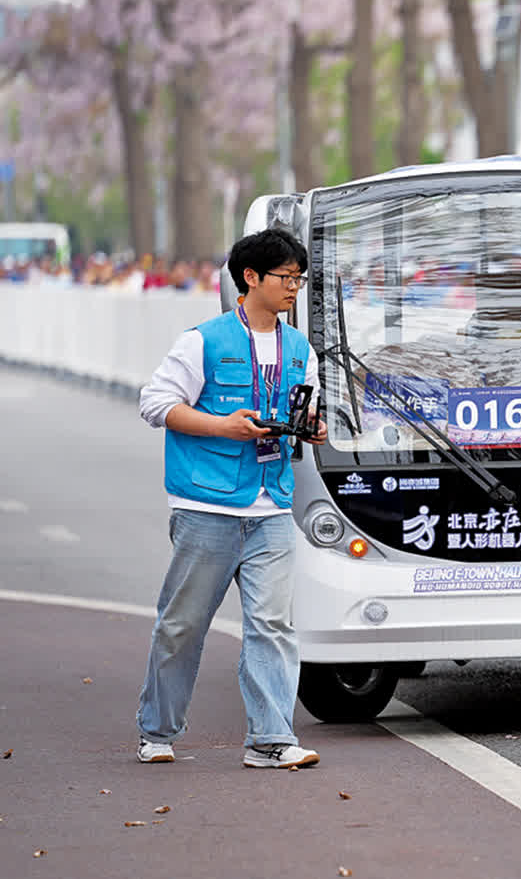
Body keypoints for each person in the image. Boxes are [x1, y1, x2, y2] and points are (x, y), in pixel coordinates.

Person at [135, 229, 326, 769]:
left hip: (272, 509)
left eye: (298, 278)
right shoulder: (203, 340)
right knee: (182, 625)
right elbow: (154, 403)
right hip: (208, 507)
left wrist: (309, 428)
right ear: (250, 278)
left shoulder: (299, 348)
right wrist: (221, 426)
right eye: (285, 277)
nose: (293, 287)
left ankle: (270, 740)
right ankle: (157, 730)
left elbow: (301, 411)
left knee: (272, 625)